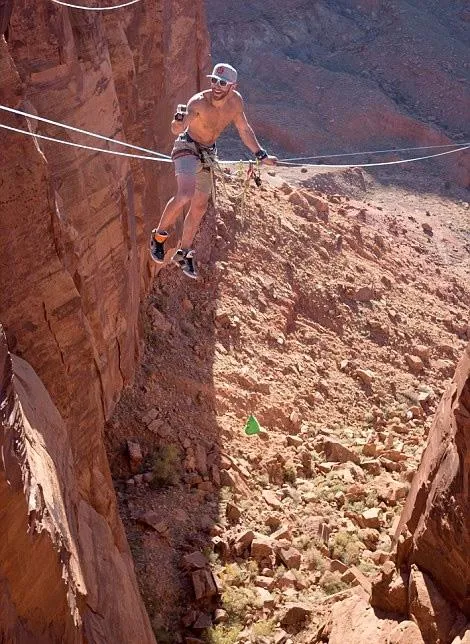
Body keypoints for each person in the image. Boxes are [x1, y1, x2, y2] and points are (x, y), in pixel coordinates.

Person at [150, 63, 278, 279]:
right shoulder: (198, 102)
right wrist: (178, 122)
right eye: (214, 81)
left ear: (233, 86)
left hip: (208, 152)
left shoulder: (235, 102)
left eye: (222, 83)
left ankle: (184, 253)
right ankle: (159, 237)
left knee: (199, 206)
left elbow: (244, 129)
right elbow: (177, 129)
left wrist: (260, 154)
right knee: (185, 194)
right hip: (187, 147)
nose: (217, 86)